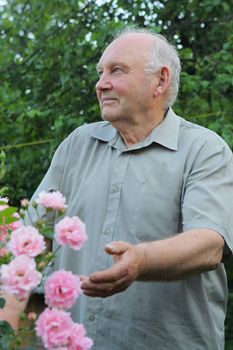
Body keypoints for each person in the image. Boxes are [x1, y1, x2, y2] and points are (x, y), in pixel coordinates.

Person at [2, 28, 233, 349]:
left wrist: (142, 260)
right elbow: (26, 249)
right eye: (100, 73)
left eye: (117, 71)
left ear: (161, 81)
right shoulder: (77, 145)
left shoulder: (205, 149)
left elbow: (209, 246)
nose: (101, 83)